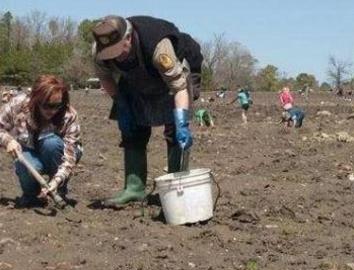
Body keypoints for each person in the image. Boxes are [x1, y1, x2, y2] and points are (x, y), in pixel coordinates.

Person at [91, 15, 203, 206]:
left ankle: (176, 189)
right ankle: (134, 188)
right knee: (131, 127)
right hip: (137, 78)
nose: (116, 57)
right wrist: (121, 103)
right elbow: (106, 78)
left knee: (175, 129)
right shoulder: (99, 51)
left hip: (178, 72)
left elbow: (179, 88)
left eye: (118, 51)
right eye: (110, 53)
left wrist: (182, 120)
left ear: (128, 38)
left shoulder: (158, 46)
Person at [0, 75, 82, 207]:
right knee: (22, 163)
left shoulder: (69, 115)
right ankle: (32, 196)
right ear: (35, 99)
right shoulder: (19, 104)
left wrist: (56, 181)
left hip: (56, 154)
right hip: (29, 152)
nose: (52, 110)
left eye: (57, 105)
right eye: (47, 105)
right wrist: (8, 140)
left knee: (51, 143)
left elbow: (69, 157)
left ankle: (59, 192)